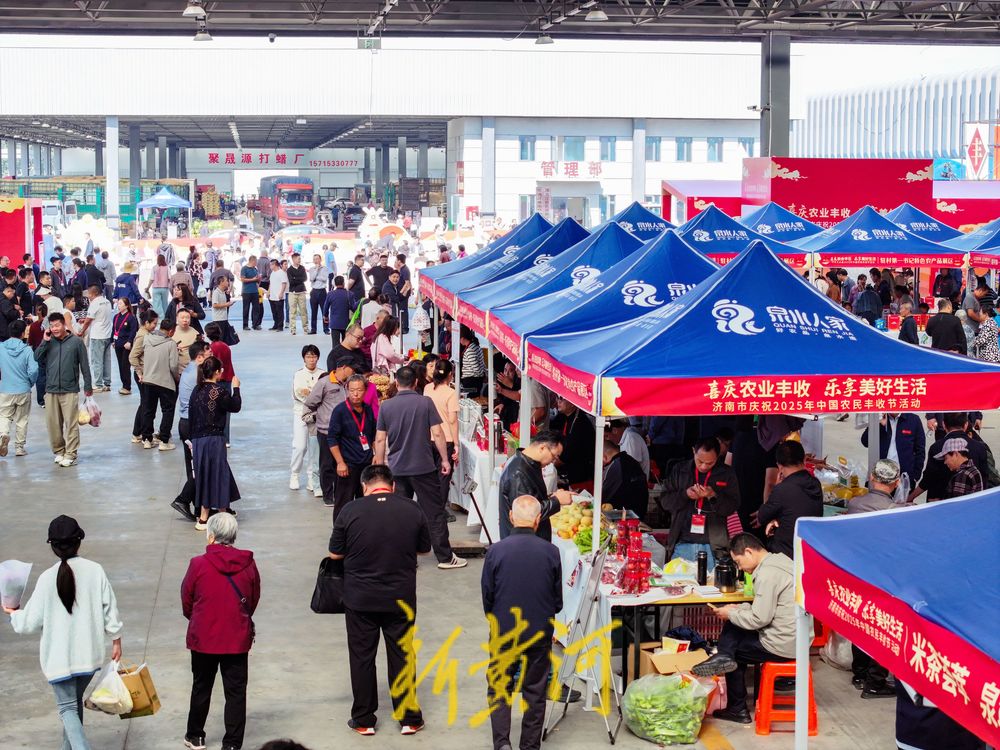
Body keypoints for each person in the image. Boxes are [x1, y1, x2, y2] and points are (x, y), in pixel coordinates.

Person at [4, 515, 123, 750]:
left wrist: (13, 613)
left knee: (67, 708)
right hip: (89, 657)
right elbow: (110, 608)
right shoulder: (95, 571)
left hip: (59, 661)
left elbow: (29, 623)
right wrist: (116, 640)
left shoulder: (47, 578)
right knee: (73, 704)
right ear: (79, 541)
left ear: (53, 547)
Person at [328, 464, 431, 736]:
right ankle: (409, 717)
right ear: (392, 485)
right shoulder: (412, 509)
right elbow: (423, 550)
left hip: (360, 598)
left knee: (362, 657)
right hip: (401, 597)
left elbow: (335, 554)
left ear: (364, 487)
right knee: (402, 655)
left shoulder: (350, 511)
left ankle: (363, 718)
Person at [481, 496, 562, 750]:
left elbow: (488, 596)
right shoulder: (551, 551)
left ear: (511, 517)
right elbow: (557, 600)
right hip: (538, 631)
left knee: (499, 687)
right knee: (535, 691)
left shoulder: (496, 551)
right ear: (539, 520)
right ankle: (529, 746)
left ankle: (502, 743)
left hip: (504, 630)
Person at [692, 534, 795, 725]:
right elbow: (766, 610)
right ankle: (723, 655)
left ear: (748, 551)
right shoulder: (782, 561)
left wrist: (731, 614)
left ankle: (737, 709)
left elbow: (759, 619)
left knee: (733, 654)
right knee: (735, 624)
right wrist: (737, 609)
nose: (740, 568)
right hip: (797, 637)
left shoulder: (766, 574)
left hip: (783, 644)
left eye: (738, 562)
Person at [373, 366, 466, 569]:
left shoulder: (386, 407)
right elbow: (438, 434)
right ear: (416, 383)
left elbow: (380, 439)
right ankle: (444, 557)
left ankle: (403, 558)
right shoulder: (425, 402)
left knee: (398, 515)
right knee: (434, 513)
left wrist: (380, 468)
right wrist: (444, 459)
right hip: (423, 468)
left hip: (397, 469)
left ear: (396, 383)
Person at [181, 513, 260, 750]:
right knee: (236, 691)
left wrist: (198, 619)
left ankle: (195, 735)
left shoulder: (198, 564)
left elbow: (187, 600)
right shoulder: (248, 563)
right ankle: (233, 743)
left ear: (211, 536)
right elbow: (253, 598)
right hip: (236, 637)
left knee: (201, 685)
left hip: (204, 637)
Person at [845, 459, 900, 698]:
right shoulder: (895, 511)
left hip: (857, 575)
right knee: (883, 627)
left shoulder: (855, 504)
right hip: (883, 579)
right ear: (896, 482)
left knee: (861, 622)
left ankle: (859, 673)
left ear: (871, 477)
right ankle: (875, 681)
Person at [662, 436, 740, 567]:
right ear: (693, 451)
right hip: (682, 543)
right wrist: (685, 494)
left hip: (714, 546)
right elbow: (665, 501)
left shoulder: (727, 473)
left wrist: (713, 495)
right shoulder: (680, 470)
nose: (704, 466)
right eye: (700, 461)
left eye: (710, 463)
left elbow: (732, 507)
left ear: (718, 456)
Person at [190, 356, 242, 530]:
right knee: (219, 473)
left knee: (203, 475)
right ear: (218, 372)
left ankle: (204, 517)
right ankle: (222, 513)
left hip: (198, 439)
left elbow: (191, 415)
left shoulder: (197, 390)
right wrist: (237, 388)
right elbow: (235, 406)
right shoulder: (218, 391)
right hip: (214, 439)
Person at [34, 313, 92, 467]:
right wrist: (44, 341)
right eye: (51, 326)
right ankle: (59, 451)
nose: (54, 329)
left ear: (64, 325)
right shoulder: (49, 341)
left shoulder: (76, 342)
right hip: (51, 389)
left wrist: (88, 386)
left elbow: (85, 365)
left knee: (71, 423)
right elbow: (37, 357)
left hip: (70, 389)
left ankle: (71, 453)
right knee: (53, 424)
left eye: (57, 325)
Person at [497, 431, 573, 540]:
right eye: (554, 456)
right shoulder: (519, 472)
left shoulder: (526, 463)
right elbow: (526, 514)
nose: (553, 461)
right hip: (522, 543)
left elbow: (533, 496)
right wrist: (557, 501)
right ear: (542, 448)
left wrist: (552, 496)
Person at [753, 440, 823, 559]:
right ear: (804, 460)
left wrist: (777, 484)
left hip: (786, 552)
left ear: (779, 466)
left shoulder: (783, 489)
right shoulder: (815, 483)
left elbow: (762, 517)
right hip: (810, 548)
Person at [304, 357, 355, 504]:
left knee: (343, 462)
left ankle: (340, 493)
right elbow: (310, 402)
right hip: (326, 431)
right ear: (344, 367)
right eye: (352, 369)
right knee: (327, 464)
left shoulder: (348, 384)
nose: (353, 372)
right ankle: (328, 496)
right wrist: (321, 416)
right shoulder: (324, 383)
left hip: (345, 432)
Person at [173, 340, 213, 523]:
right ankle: (183, 499)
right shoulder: (197, 374)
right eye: (209, 355)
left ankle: (198, 507)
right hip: (193, 424)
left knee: (195, 466)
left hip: (186, 423)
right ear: (199, 357)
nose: (211, 358)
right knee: (200, 467)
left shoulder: (189, 369)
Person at [327, 374, 377, 519]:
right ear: (347, 390)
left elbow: (372, 435)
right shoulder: (340, 411)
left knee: (365, 503)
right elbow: (332, 439)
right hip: (347, 466)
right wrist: (340, 462)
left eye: (359, 390)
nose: (355, 394)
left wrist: (375, 455)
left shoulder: (368, 410)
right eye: (352, 390)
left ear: (366, 391)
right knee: (344, 504)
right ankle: (340, 537)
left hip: (366, 465)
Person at [911, 412, 990, 501]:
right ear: (966, 424)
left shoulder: (936, 447)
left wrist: (911, 497)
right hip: (972, 505)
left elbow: (928, 478)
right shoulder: (980, 448)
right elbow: (985, 479)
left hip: (939, 506)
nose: (945, 461)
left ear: (944, 425)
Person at [139, 318, 180, 451]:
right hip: (165, 382)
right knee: (168, 410)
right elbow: (173, 366)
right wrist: (177, 378)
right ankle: (164, 440)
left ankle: (146, 439)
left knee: (148, 410)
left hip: (148, 379)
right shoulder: (171, 344)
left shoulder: (147, 339)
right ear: (171, 331)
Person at [0, 320, 38, 457]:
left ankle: (3, 435)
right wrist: (30, 382)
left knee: (4, 416)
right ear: (23, 334)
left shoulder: (1, 348)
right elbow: (34, 370)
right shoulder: (27, 350)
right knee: (22, 419)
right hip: (23, 389)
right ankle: (19, 448)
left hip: (5, 388)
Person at [423, 359, 459, 505]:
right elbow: (452, 420)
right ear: (450, 375)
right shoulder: (451, 393)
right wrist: (456, 444)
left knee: (428, 476)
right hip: (446, 439)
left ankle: (428, 506)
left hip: (428, 437)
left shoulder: (427, 388)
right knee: (443, 476)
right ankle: (439, 509)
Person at [290, 344, 323, 494]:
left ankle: (312, 476)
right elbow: (298, 393)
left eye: (314, 356)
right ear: (304, 358)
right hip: (301, 414)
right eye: (309, 356)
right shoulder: (299, 374)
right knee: (300, 446)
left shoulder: (323, 374)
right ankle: (295, 473)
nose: (311, 359)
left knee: (315, 448)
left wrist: (310, 393)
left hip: (318, 415)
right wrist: (312, 394)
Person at [860, 412, 925, 486]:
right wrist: (879, 424)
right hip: (879, 475)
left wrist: (915, 477)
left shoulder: (913, 420)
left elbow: (920, 450)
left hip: (902, 478)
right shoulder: (878, 417)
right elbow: (865, 442)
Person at [549, 396, 596, 486]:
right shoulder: (563, 416)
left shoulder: (580, 423)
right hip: (565, 465)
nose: (558, 401)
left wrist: (548, 463)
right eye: (557, 398)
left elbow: (567, 455)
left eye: (562, 398)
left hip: (579, 473)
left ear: (572, 403)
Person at [75, 285, 112, 393]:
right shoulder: (107, 302)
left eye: (89, 295)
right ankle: (107, 383)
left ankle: (97, 384)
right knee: (106, 360)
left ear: (94, 294)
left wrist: (81, 331)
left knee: (97, 360)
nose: (88, 297)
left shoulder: (94, 303)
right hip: (107, 334)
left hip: (97, 335)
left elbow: (88, 320)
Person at [204, 322, 236, 445]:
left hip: (217, 382)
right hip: (228, 380)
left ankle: (217, 436)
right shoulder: (225, 346)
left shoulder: (212, 348)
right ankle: (226, 438)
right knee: (226, 412)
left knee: (214, 411)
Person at [600, 440, 649, 520]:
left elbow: (604, 495)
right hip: (640, 512)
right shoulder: (631, 461)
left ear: (604, 457)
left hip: (625, 516)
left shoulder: (616, 466)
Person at [111, 297, 138, 395]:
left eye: (121, 304)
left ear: (126, 305)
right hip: (118, 343)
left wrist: (130, 342)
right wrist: (113, 341)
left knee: (125, 365)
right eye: (118, 304)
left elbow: (133, 331)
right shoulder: (116, 317)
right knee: (120, 366)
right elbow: (114, 330)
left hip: (126, 345)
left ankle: (127, 386)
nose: (119, 305)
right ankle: (123, 385)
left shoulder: (131, 317)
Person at [322, 275, 353, 347]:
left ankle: (336, 357)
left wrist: (326, 317)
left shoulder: (330, 294)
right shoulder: (349, 294)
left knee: (335, 344)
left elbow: (325, 308)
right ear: (343, 283)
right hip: (346, 323)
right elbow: (353, 307)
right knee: (346, 344)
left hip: (334, 323)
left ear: (335, 284)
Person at [459, 325, 486, 394]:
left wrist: (482, 375)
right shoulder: (475, 346)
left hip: (471, 382)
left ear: (462, 338)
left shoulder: (470, 351)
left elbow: (476, 369)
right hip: (474, 381)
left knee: (470, 401)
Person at [971, 297, 1000, 362]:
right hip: (992, 354)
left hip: (989, 356)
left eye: (980, 312)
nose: (979, 314)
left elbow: (981, 340)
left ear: (986, 314)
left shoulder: (988, 324)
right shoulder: (992, 322)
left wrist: (973, 341)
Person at [286, 253, 309, 335]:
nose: (299, 260)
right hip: (292, 293)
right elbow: (291, 281)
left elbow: (305, 278)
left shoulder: (302, 268)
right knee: (292, 312)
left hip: (302, 292)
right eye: (298, 258)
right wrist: (298, 279)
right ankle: (293, 329)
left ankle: (305, 328)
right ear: (293, 259)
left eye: (300, 259)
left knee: (303, 311)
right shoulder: (289, 270)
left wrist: (296, 278)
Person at [307, 253, 329, 335]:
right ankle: (313, 329)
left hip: (322, 291)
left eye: (317, 258)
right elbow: (312, 279)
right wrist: (316, 270)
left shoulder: (325, 268)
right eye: (314, 259)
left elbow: (324, 279)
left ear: (320, 260)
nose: (316, 260)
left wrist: (317, 276)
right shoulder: (312, 269)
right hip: (314, 291)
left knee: (325, 311)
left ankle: (326, 328)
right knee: (314, 311)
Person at [240, 255, 262, 331]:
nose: (256, 263)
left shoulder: (255, 269)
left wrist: (259, 279)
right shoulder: (244, 268)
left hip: (255, 291)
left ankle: (255, 324)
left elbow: (257, 280)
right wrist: (253, 279)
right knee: (246, 309)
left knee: (256, 308)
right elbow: (242, 279)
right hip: (246, 291)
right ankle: (245, 325)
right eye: (255, 262)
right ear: (252, 261)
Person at [267, 259, 287, 331]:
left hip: (279, 296)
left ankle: (280, 326)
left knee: (279, 312)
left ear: (274, 264)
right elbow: (271, 283)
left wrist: (281, 293)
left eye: (271, 265)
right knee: (274, 312)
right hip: (272, 296)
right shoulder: (272, 273)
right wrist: (268, 292)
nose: (270, 266)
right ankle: (275, 324)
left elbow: (284, 284)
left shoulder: (281, 273)